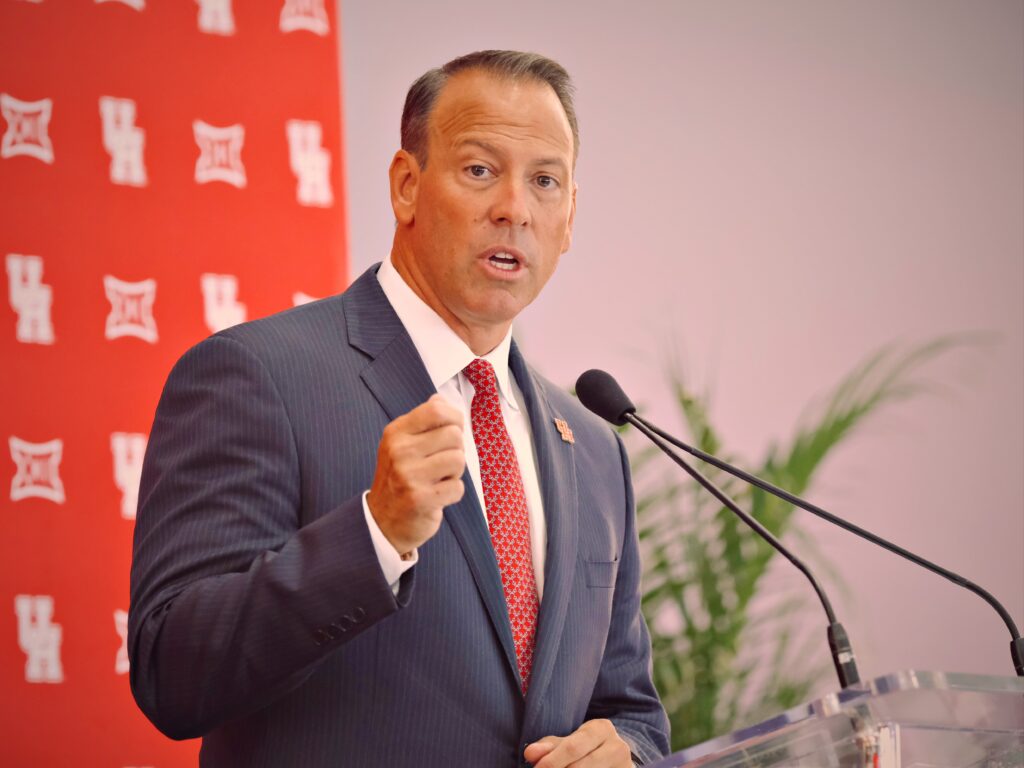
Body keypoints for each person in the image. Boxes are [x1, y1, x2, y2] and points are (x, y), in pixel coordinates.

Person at [129, 50, 670, 767]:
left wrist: (627, 751)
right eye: (480, 170)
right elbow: (172, 671)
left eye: (545, 181)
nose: (514, 209)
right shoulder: (259, 376)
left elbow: (631, 710)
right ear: (407, 186)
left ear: (569, 218)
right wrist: (374, 534)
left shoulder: (595, 449)